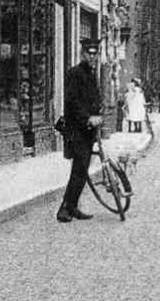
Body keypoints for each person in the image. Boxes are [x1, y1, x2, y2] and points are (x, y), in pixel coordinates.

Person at [56, 38, 103, 223]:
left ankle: (72, 206)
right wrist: (87, 118)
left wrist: (98, 114)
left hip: (88, 130)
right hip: (76, 130)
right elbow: (72, 102)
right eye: (89, 53)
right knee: (79, 169)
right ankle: (65, 208)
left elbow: (94, 99)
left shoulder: (91, 74)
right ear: (82, 54)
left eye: (95, 54)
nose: (92, 57)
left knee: (82, 169)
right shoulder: (75, 73)